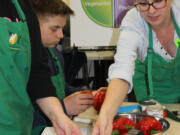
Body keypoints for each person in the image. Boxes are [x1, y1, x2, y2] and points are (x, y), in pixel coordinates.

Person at [92, 0, 180, 135]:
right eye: (143, 3)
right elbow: (122, 70)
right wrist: (106, 115)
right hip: (150, 90)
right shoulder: (134, 21)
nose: (151, 10)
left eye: (157, 1)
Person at [0, 0, 81, 135]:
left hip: (17, 125)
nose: (60, 35)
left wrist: (58, 116)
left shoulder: (22, 7)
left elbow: (36, 71)